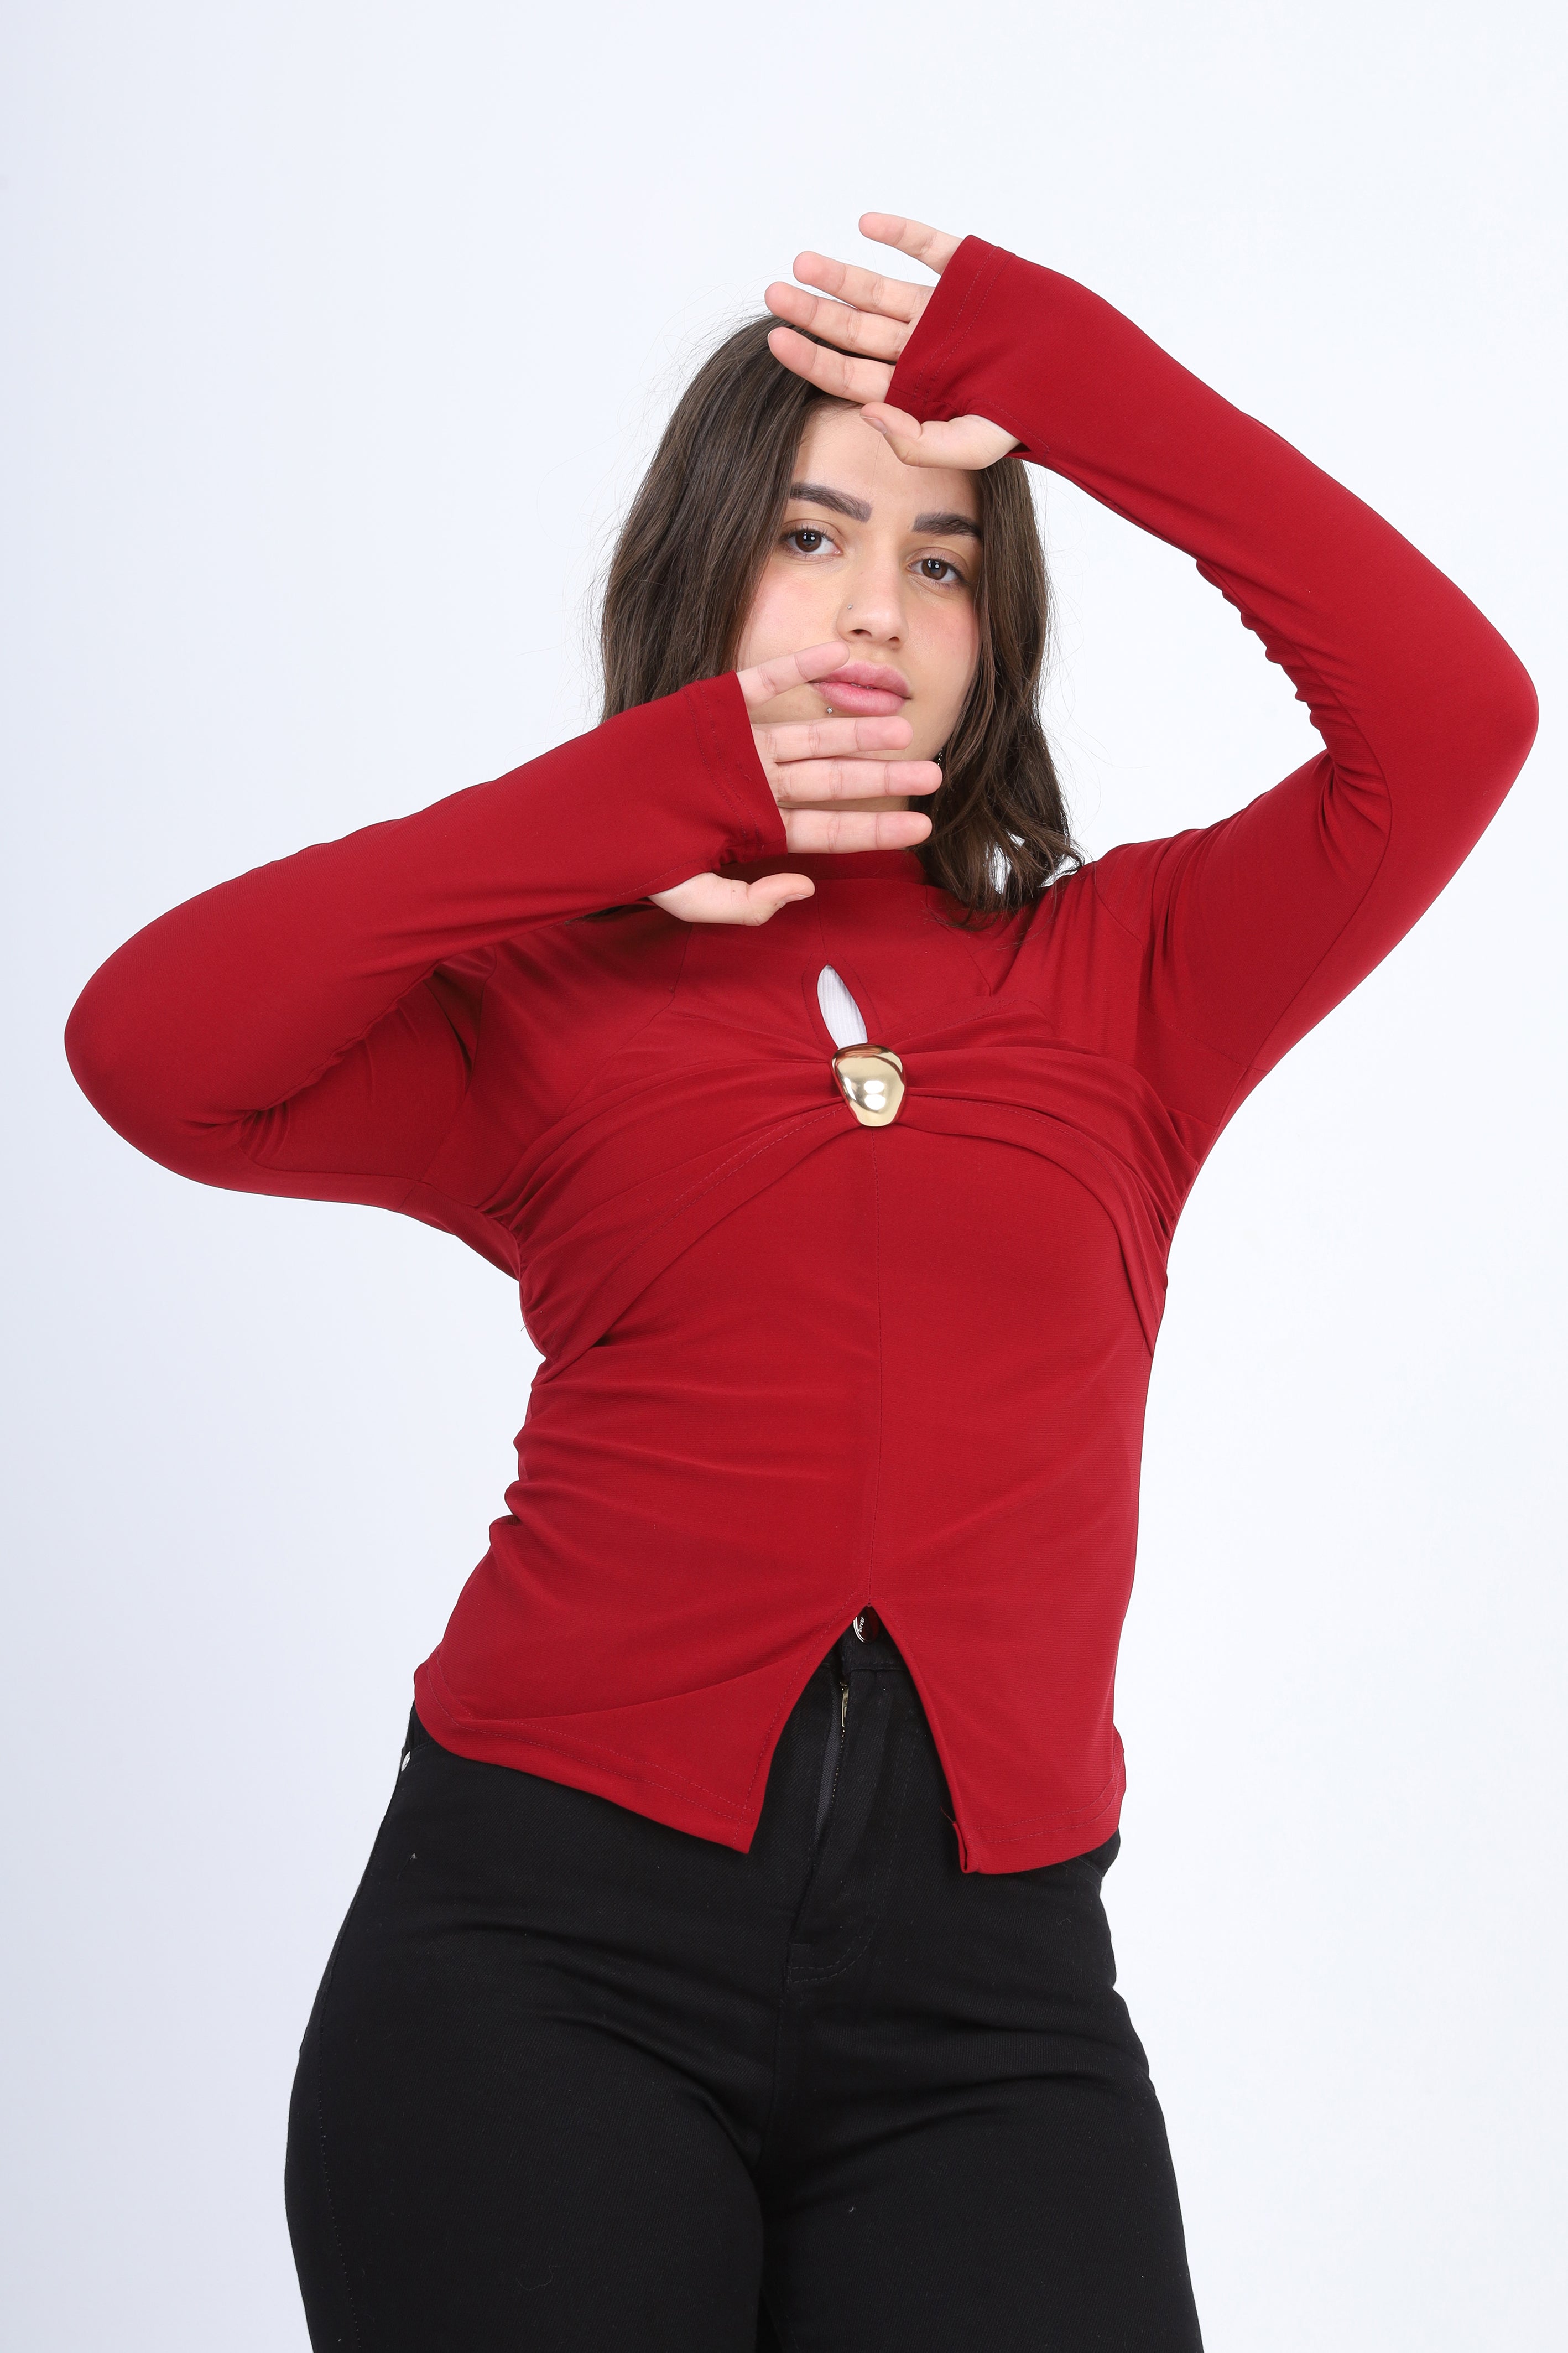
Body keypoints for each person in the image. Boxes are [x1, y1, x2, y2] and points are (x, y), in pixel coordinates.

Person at [64, 212, 1536, 2350]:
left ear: (995, 632)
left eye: (943, 559)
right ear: (703, 568)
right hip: (534, 1965)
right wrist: (619, 804)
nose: (875, 608)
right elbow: (150, 1052)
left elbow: (1454, 713)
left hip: (994, 2014)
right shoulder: (540, 1006)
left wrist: (1061, 378)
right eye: (811, 535)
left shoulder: (1132, 979)